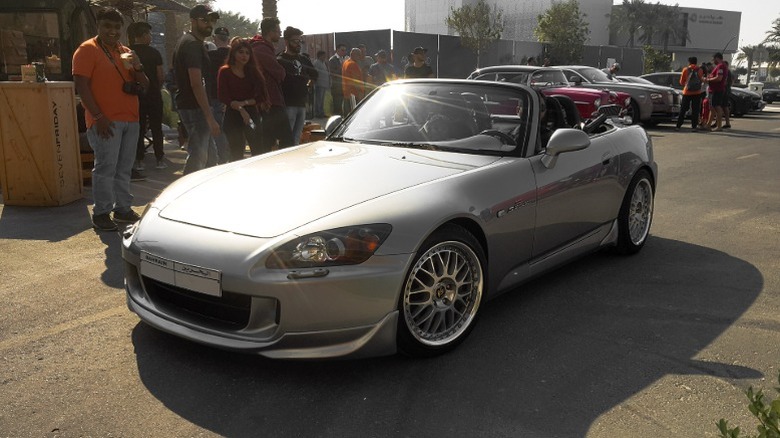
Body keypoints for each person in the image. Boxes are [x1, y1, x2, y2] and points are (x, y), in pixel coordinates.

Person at [72, 7, 149, 231]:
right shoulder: (87, 50)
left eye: (117, 27)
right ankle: (101, 212)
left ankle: (123, 209)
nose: (112, 31)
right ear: (98, 26)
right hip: (105, 121)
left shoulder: (125, 51)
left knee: (124, 167)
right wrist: (98, 116)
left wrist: (138, 65)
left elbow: (145, 85)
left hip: (130, 119)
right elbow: (82, 86)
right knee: (106, 167)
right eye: (107, 26)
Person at [172, 4, 221, 175]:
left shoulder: (191, 42)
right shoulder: (192, 44)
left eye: (212, 21)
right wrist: (209, 116)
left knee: (211, 159)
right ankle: (184, 196)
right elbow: (196, 83)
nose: (209, 24)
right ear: (193, 21)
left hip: (195, 106)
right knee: (198, 159)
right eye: (204, 20)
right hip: (195, 108)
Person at [217, 38, 270, 161]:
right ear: (234, 53)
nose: (244, 56)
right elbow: (223, 96)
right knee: (236, 154)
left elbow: (261, 97)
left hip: (251, 116)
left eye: (247, 53)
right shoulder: (225, 71)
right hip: (233, 116)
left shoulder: (253, 71)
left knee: (258, 149)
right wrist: (240, 109)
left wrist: (244, 104)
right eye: (241, 52)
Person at [127, 21, 166, 171]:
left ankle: (139, 159)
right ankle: (160, 158)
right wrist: (157, 87)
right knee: (156, 127)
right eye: (149, 34)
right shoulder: (154, 53)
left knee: (139, 127)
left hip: (135, 95)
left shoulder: (127, 52)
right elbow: (160, 75)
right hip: (154, 94)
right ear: (143, 35)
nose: (150, 37)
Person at [251, 17, 294, 152]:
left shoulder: (262, 47)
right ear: (270, 32)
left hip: (269, 100)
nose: (280, 34)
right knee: (286, 140)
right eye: (278, 31)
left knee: (268, 141)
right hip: (270, 102)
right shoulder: (261, 49)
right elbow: (280, 73)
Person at [278, 26, 317, 145]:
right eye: (295, 41)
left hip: (301, 104)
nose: (298, 44)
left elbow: (314, 74)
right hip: (288, 104)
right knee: (286, 138)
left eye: (300, 41)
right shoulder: (280, 60)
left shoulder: (303, 59)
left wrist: (308, 86)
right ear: (286, 41)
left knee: (296, 139)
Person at [206, 26, 231, 164]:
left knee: (218, 133)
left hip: (215, 98)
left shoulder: (209, 57)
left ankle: (222, 162)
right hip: (235, 101)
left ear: (215, 38)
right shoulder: (237, 55)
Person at [675, 56, 704, 132]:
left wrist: (687, 84)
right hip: (697, 92)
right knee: (695, 110)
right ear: (696, 62)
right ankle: (694, 127)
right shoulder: (700, 70)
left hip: (687, 92)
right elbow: (702, 81)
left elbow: (681, 82)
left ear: (689, 62)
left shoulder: (685, 70)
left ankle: (678, 126)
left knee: (683, 109)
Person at [703, 52, 728, 131]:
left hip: (716, 90)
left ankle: (719, 126)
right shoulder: (721, 66)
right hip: (715, 89)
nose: (713, 61)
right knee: (712, 107)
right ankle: (708, 125)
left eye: (713, 59)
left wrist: (708, 80)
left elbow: (719, 78)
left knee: (717, 107)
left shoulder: (720, 66)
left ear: (717, 58)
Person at [328, 44, 347, 116]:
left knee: (343, 106)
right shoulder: (332, 60)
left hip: (343, 86)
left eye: (345, 50)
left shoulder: (344, 59)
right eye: (342, 50)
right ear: (337, 50)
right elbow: (332, 73)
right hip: (336, 87)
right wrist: (342, 66)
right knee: (337, 106)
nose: (344, 52)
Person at [312, 50, 330, 118]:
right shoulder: (317, 63)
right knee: (318, 99)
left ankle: (321, 112)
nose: (325, 57)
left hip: (324, 83)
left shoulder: (324, 63)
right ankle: (318, 113)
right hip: (319, 84)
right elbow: (315, 73)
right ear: (320, 56)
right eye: (323, 55)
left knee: (322, 100)